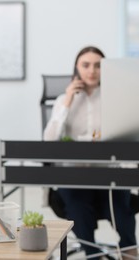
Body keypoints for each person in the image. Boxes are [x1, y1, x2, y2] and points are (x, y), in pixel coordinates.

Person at [44, 46, 137, 259]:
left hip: (108, 175)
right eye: (86, 65)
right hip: (75, 177)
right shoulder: (63, 100)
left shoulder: (116, 98)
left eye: (98, 65)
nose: (92, 71)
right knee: (78, 209)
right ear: (76, 68)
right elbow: (49, 139)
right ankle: (93, 254)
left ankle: (129, 251)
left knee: (122, 208)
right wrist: (67, 101)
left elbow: (129, 134)